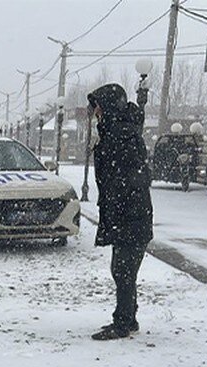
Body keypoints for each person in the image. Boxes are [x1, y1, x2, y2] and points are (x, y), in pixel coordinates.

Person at [87, 83, 153, 341]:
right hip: (128, 212)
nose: (96, 113)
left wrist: (118, 204)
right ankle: (128, 316)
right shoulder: (119, 130)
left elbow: (127, 177)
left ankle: (123, 322)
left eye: (98, 107)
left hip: (129, 214)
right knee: (123, 270)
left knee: (123, 270)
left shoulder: (120, 134)